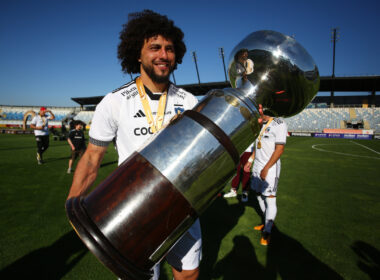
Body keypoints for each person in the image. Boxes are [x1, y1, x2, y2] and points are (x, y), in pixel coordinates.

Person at [66, 10, 201, 280]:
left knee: (188, 274)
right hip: (133, 208)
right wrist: (74, 205)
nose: (163, 55)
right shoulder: (115, 101)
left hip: (182, 205)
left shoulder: (189, 102)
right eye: (155, 48)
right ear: (137, 54)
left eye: (169, 48)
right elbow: (93, 157)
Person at [244, 114, 287, 246]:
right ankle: (266, 222)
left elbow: (280, 150)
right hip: (257, 166)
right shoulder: (259, 124)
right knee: (258, 195)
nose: (259, 110)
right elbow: (258, 146)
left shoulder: (279, 123)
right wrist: (250, 160)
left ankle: (267, 231)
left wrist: (266, 168)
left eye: (261, 108)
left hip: (270, 168)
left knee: (269, 198)